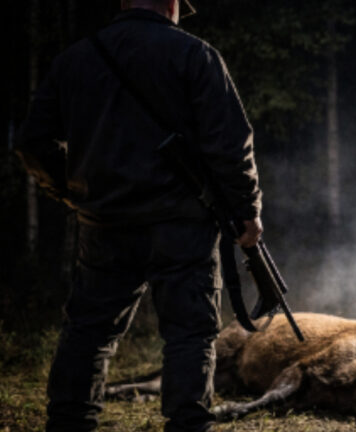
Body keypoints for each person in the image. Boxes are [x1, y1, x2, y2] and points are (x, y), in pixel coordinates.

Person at [15, 0, 263, 430]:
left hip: (104, 225)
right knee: (188, 334)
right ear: (171, 3)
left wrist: (73, 192)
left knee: (88, 333)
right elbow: (230, 144)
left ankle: (69, 423)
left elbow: (32, 142)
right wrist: (247, 210)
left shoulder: (74, 60)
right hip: (182, 225)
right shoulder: (195, 55)